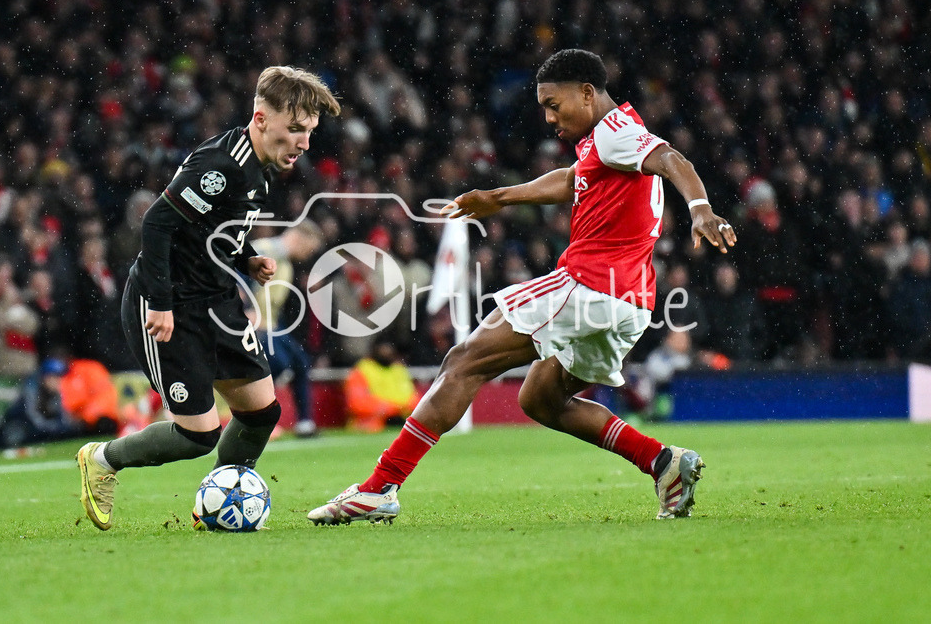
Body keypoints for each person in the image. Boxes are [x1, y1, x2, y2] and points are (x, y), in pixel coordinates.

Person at [308, 49, 736, 525]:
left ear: (588, 93)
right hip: (630, 302)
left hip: (588, 286)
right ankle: (663, 463)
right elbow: (575, 180)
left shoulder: (618, 132)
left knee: (463, 360)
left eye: (554, 104)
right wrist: (498, 197)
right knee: (540, 398)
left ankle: (378, 488)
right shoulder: (608, 141)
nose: (549, 117)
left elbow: (672, 159)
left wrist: (700, 209)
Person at [77, 66, 341, 530]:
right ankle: (102, 459)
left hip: (217, 300)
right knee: (198, 435)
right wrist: (159, 303)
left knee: (262, 413)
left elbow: (213, 232)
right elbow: (158, 224)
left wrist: (249, 258)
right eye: (296, 129)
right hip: (170, 305)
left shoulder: (261, 169)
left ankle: (219, 504)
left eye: (310, 132)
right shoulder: (221, 167)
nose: (303, 143)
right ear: (261, 119)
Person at [248, 220, 324, 437]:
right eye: (310, 249)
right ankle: (258, 420)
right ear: (300, 238)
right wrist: (242, 311)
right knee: (277, 365)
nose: (308, 255)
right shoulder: (264, 250)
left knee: (300, 361)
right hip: (252, 328)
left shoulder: (287, 264)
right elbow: (239, 280)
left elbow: (272, 304)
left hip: (270, 327)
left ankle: (304, 423)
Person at [343, 339, 421, 433]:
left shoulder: (399, 369)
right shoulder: (362, 370)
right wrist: (393, 408)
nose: (386, 353)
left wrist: (396, 409)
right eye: (383, 350)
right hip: (371, 426)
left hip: (400, 422)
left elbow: (414, 399)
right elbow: (357, 403)